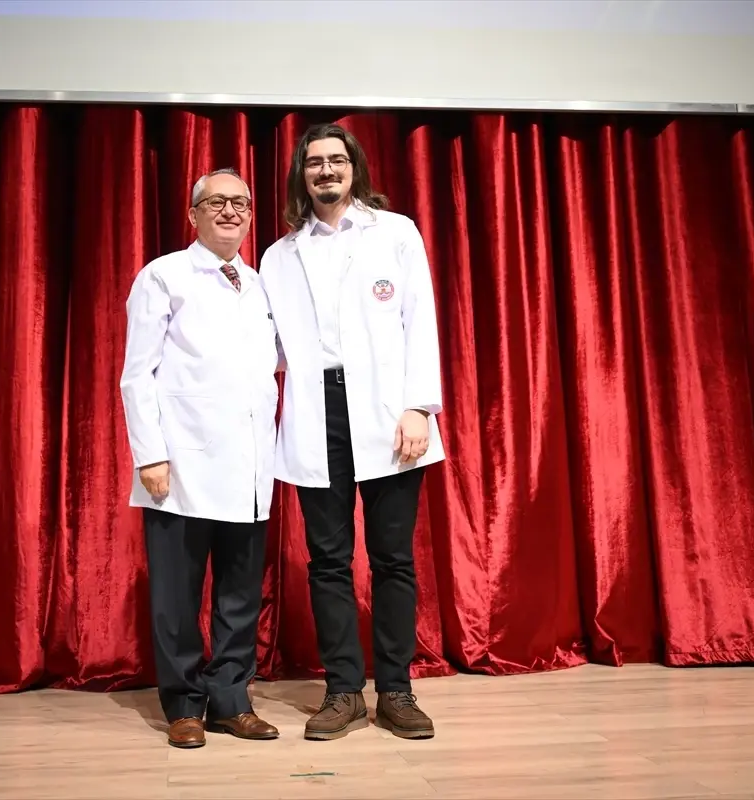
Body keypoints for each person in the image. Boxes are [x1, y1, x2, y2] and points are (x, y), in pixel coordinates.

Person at [259, 123, 445, 742]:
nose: (326, 170)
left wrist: (419, 406)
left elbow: (420, 320)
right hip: (316, 413)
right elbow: (268, 346)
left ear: (354, 167)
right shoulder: (279, 256)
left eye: (336, 160)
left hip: (388, 412)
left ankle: (396, 689)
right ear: (302, 175)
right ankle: (343, 691)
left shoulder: (395, 233)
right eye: (314, 162)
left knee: (393, 558)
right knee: (328, 562)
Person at [119, 168, 281, 749]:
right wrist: (150, 455)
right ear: (193, 214)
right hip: (181, 463)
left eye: (241, 202)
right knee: (176, 595)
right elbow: (137, 374)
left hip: (251, 464)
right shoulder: (164, 276)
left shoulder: (260, 284)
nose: (231, 211)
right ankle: (184, 704)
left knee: (240, 592)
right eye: (217, 202)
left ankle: (231, 701)